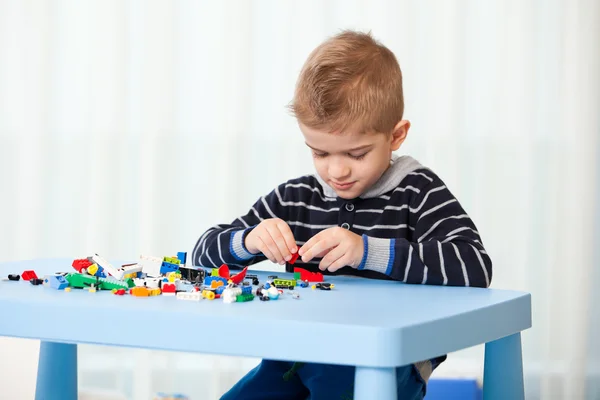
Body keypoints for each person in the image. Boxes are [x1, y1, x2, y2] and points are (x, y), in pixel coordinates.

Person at [192, 29, 492, 400]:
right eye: (320, 153)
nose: (337, 172)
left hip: (390, 360)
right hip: (296, 354)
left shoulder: (417, 191)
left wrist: (368, 251)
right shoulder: (297, 196)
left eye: (356, 154)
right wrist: (248, 239)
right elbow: (201, 254)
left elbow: (474, 266)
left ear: (396, 136)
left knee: (336, 378)